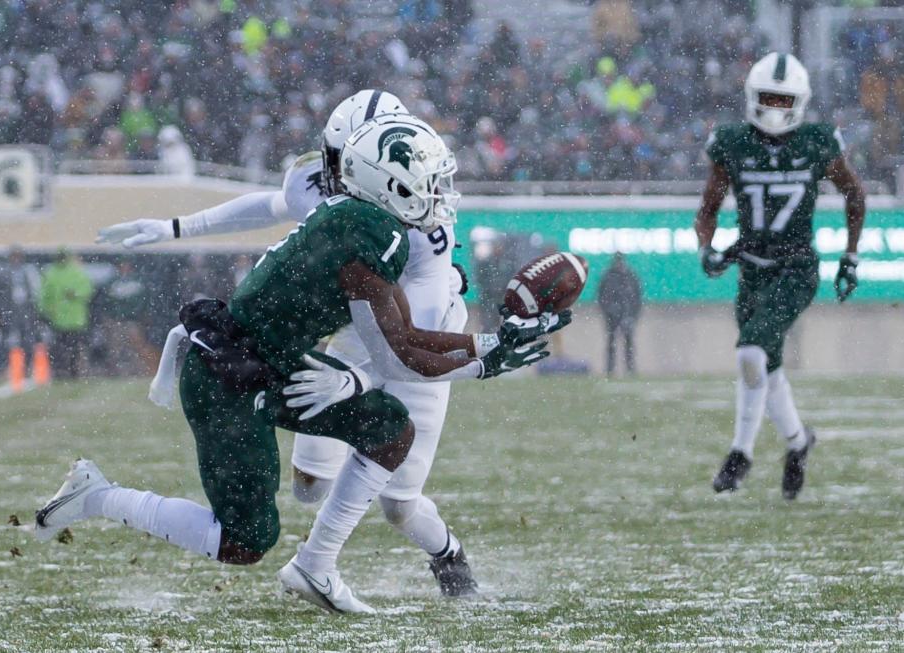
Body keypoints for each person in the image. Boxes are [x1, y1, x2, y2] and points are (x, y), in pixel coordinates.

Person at [39, 113, 567, 615]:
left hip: (269, 359)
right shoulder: (371, 236)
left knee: (388, 428)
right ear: (391, 184)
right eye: (430, 182)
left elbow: (402, 338)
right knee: (244, 542)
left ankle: (316, 566)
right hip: (229, 375)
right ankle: (99, 496)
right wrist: (486, 356)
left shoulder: (361, 219)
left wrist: (487, 346)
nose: (439, 195)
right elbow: (398, 353)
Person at [97, 90, 485, 598]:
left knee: (399, 500)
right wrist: (178, 226)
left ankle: (442, 556)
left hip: (420, 337)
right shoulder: (332, 187)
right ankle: (313, 550)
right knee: (309, 484)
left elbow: (408, 346)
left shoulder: (418, 219)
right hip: (351, 334)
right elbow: (275, 203)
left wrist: (358, 379)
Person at [695, 53, 866, 500]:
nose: (773, 106)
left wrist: (851, 255)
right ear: (752, 97)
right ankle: (797, 442)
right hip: (752, 267)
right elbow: (708, 207)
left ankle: (740, 454)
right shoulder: (733, 143)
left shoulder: (815, 141)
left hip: (795, 267)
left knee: (751, 352)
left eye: (781, 98)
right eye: (767, 97)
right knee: (765, 365)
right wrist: (707, 248)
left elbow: (854, 193)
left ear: (799, 102)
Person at [38, 250, 94, 379]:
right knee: (64, 347)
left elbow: (86, 291)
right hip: (66, 319)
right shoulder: (75, 273)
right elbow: (45, 296)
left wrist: (45, 310)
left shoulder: (54, 273)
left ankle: (67, 371)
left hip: (69, 319)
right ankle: (64, 371)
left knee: (67, 347)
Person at [596, 252, 641, 376]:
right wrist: (609, 311)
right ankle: (610, 369)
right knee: (611, 343)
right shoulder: (609, 276)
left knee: (628, 343)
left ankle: (630, 369)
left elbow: (637, 297)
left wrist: (632, 315)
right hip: (612, 316)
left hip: (627, 314)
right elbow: (601, 297)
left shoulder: (630, 276)